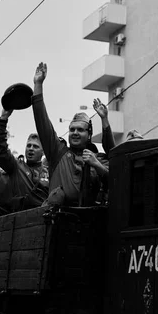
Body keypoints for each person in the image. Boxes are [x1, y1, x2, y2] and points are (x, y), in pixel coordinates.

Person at [32, 62, 109, 207]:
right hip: (58, 221)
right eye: (72, 129)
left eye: (80, 130)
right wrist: (38, 85)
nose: (74, 133)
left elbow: (115, 181)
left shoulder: (99, 159)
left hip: (90, 222)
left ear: (89, 134)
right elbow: (42, 122)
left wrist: (97, 165)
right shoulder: (58, 152)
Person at [0, 109, 50, 209]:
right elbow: (0, 149)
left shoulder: (49, 172)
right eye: (29, 146)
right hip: (20, 220)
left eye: (35, 147)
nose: (31, 149)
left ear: (43, 152)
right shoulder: (16, 167)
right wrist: (3, 120)